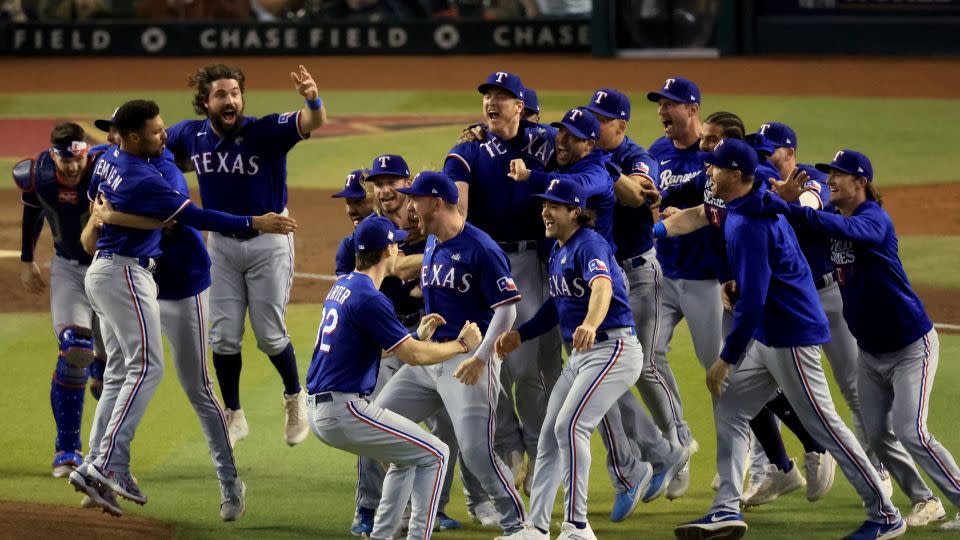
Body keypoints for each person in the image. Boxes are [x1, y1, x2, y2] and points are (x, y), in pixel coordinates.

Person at [66, 99, 293, 517]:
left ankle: (229, 484)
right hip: (131, 280)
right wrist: (255, 222)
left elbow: (188, 218)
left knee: (198, 389)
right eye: (112, 131)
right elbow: (100, 229)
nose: (162, 134)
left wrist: (117, 216)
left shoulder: (161, 171)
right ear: (126, 138)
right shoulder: (117, 164)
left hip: (181, 285)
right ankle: (103, 468)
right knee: (133, 372)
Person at [672, 139, 904, 540]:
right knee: (729, 407)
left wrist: (726, 357)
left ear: (736, 175)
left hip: (791, 335)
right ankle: (726, 509)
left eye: (715, 167)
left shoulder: (749, 223)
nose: (708, 172)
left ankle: (885, 514)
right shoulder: (743, 208)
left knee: (827, 427)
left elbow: (755, 298)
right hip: (771, 336)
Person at [773, 149, 960, 532]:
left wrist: (800, 210)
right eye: (828, 175)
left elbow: (852, 232)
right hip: (870, 355)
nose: (830, 181)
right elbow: (796, 232)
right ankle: (926, 500)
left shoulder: (873, 218)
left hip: (911, 346)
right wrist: (782, 205)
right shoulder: (835, 221)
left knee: (912, 431)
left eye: (839, 175)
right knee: (876, 436)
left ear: (860, 182)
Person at [496, 177, 690, 540]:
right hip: (586, 356)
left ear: (574, 211)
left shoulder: (590, 244)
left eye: (553, 206)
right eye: (543, 205)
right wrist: (521, 334)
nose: (545, 212)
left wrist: (589, 321)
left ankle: (578, 527)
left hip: (613, 349)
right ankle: (535, 528)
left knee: (571, 427)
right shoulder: (559, 248)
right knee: (553, 435)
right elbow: (557, 303)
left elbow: (601, 286)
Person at [164, 63, 326, 447]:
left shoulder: (263, 131)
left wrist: (312, 98)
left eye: (235, 93)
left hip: (269, 244)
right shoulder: (190, 135)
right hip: (220, 245)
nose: (230, 99)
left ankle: (294, 397)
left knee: (270, 336)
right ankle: (234, 413)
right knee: (222, 338)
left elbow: (313, 120)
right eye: (221, 94)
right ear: (205, 101)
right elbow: (157, 148)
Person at [373, 171, 531, 539]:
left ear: (438, 203)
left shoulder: (482, 248)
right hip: (431, 357)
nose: (410, 205)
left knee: (477, 454)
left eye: (416, 198)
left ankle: (518, 526)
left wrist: (481, 358)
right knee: (382, 423)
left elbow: (508, 310)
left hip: (469, 362)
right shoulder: (431, 242)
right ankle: (407, 513)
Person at [305, 215, 483, 540]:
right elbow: (413, 356)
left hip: (321, 408)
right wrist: (461, 345)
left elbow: (374, 346)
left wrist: (415, 335)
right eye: (396, 243)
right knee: (436, 454)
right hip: (343, 411)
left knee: (406, 458)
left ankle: (383, 535)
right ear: (387, 250)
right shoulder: (369, 297)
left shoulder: (343, 286)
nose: (399, 247)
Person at [443, 71, 560, 510]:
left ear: (520, 106)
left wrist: (537, 172)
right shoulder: (469, 148)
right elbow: (457, 195)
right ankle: (513, 446)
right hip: (487, 263)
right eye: (487, 96)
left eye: (502, 96)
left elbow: (579, 164)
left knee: (526, 366)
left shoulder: (543, 141)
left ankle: (537, 450)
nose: (492, 102)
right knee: (487, 365)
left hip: (532, 263)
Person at [13, 122, 105, 478]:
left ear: (86, 153)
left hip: (109, 268)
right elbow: (32, 209)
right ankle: (67, 449)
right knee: (74, 350)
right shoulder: (39, 176)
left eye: (77, 158)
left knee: (117, 366)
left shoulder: (105, 170)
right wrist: (27, 258)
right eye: (64, 159)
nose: (71, 167)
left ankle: (102, 365)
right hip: (68, 268)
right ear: (54, 155)